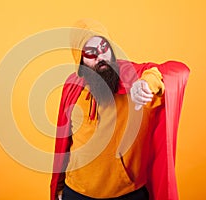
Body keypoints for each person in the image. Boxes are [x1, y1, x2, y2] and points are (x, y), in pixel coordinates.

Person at [50, 19, 189, 200]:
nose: (101, 57)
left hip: (126, 194)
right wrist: (60, 187)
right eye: (91, 53)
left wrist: (147, 84)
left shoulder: (133, 78)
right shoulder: (73, 86)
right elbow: (65, 142)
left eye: (104, 48)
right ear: (80, 59)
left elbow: (178, 71)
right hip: (75, 192)